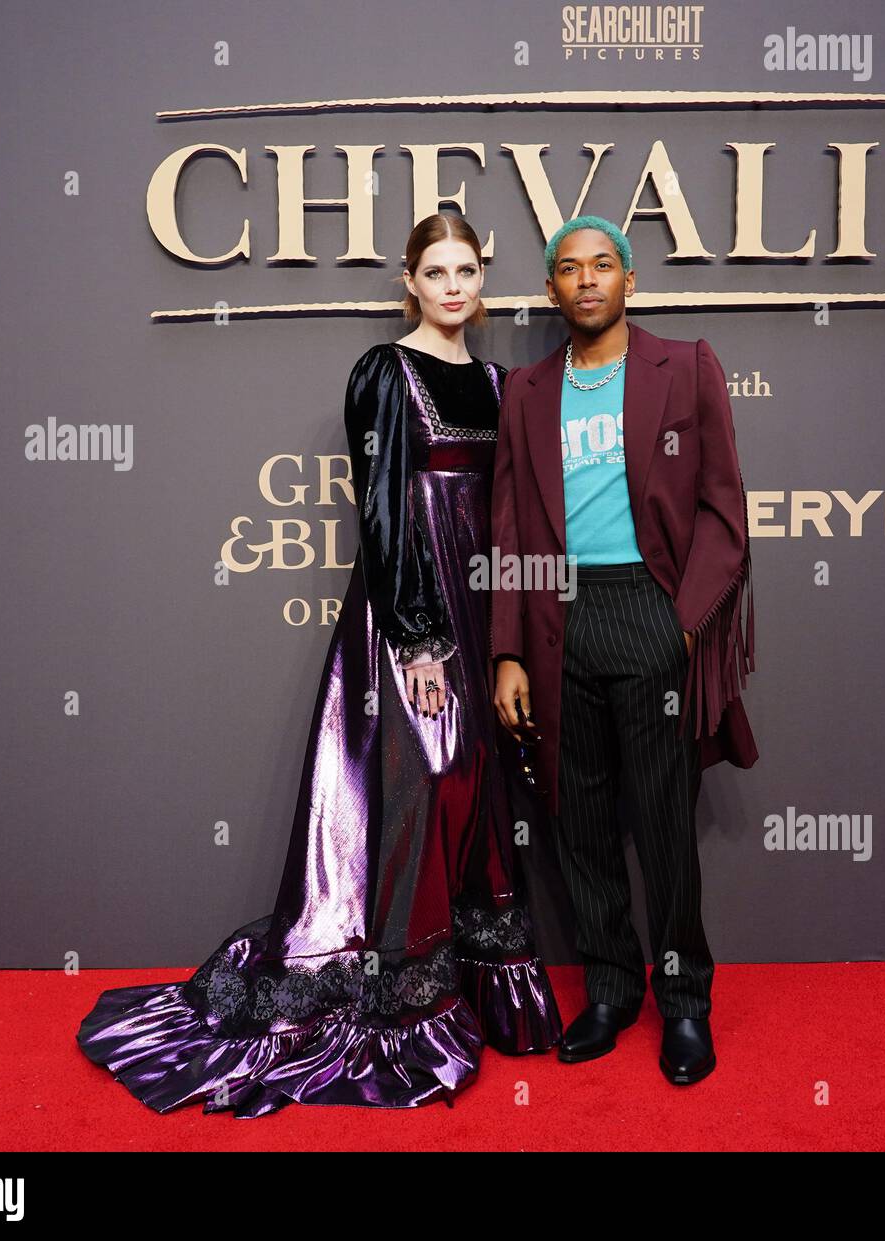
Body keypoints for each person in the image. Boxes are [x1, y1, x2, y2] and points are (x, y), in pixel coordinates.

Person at [77, 214, 562, 1116]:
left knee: (478, 793)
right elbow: (382, 510)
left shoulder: (500, 383)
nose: (453, 285)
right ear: (408, 284)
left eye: (467, 270)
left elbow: (507, 512)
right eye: (435, 271)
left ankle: (466, 982)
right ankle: (396, 1000)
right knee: (428, 780)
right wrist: (415, 638)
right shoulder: (383, 373)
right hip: (407, 607)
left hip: (479, 596)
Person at [490, 215, 757, 1086]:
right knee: (582, 819)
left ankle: (683, 1001)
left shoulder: (685, 366)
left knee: (666, 821)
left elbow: (725, 510)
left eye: (603, 265)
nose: (587, 279)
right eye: (569, 269)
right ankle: (610, 986)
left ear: (630, 280)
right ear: (552, 290)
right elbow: (510, 527)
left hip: (650, 610)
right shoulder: (527, 390)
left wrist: (682, 621)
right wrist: (509, 653)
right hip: (558, 620)